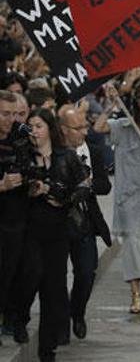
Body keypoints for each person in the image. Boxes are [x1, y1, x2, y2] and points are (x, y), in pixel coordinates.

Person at [11, 110, 90, 362]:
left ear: (50, 129)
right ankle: (19, 317)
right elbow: (18, 183)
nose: (34, 130)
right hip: (31, 229)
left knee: (53, 290)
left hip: (58, 231)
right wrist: (30, 187)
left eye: (39, 125)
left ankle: (48, 351)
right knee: (31, 274)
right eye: (30, 126)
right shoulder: (23, 155)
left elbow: (83, 186)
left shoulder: (65, 157)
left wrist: (58, 194)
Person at [93, 81, 140, 315]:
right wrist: (112, 104)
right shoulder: (124, 126)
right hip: (130, 196)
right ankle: (135, 295)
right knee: (133, 241)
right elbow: (99, 127)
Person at [57, 103, 112, 343]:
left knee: (87, 272)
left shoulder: (94, 150)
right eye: (78, 127)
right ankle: (58, 320)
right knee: (55, 275)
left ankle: (77, 311)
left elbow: (105, 186)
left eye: (85, 126)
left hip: (85, 221)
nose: (84, 132)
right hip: (57, 221)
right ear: (63, 129)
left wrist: (88, 184)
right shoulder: (53, 152)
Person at [0, 90, 30, 335]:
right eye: (4, 114)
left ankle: (12, 318)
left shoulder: (20, 140)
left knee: (13, 269)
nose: (10, 119)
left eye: (13, 114)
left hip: (16, 218)